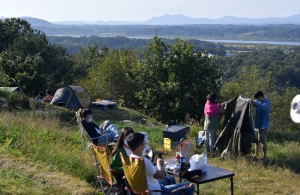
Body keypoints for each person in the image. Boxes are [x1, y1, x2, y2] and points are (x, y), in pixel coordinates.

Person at [127, 133, 194, 195]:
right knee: (190, 186)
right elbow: (161, 175)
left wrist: (152, 164)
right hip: (156, 192)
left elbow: (145, 172)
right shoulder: (142, 160)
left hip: (143, 189)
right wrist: (159, 163)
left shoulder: (129, 159)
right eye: (144, 144)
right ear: (140, 147)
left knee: (171, 179)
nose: (145, 146)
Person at [251, 91, 271, 159]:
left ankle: (264, 156)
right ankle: (256, 154)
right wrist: (250, 101)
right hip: (257, 124)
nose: (257, 100)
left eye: (257, 98)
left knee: (263, 141)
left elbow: (263, 107)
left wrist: (255, 103)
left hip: (263, 125)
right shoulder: (258, 102)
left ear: (261, 97)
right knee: (257, 141)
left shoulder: (266, 103)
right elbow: (254, 103)